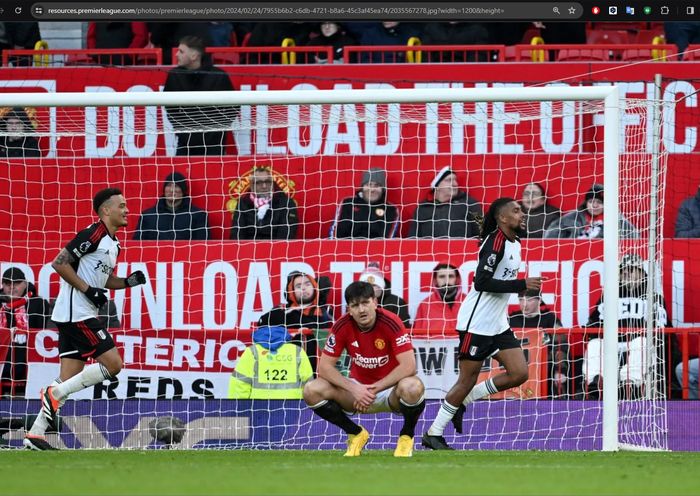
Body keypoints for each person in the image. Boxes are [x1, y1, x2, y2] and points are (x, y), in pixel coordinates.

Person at [23, 188, 147, 450]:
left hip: (74, 314)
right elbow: (59, 263)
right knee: (113, 364)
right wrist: (87, 290)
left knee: (69, 377)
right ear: (106, 211)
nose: (127, 210)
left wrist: (127, 282)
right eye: (121, 206)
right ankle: (53, 394)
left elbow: (104, 279)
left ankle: (35, 434)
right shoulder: (93, 233)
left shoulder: (114, 244)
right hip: (77, 313)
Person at [422, 197, 542, 450]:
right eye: (517, 210)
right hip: (475, 324)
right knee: (465, 380)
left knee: (519, 373)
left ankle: (465, 402)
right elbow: (481, 283)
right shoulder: (495, 242)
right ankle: (433, 433)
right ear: (503, 218)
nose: (523, 214)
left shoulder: (516, 242)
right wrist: (521, 284)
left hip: (497, 323)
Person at [303, 281, 425, 457]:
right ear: (349, 309)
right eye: (355, 305)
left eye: (365, 303)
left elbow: (409, 366)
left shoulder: (391, 322)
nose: (361, 310)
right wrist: (354, 388)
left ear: (375, 302)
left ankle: (406, 437)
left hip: (390, 391)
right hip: (356, 393)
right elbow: (324, 367)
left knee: (413, 386)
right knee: (311, 389)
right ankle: (356, 433)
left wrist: (373, 389)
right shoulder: (342, 325)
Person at [583, 253, 669, 399]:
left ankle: (630, 383)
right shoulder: (608, 296)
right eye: (623, 270)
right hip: (613, 343)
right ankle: (595, 383)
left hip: (638, 343)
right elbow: (593, 323)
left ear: (642, 273)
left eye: (631, 269)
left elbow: (662, 330)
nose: (626, 273)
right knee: (594, 344)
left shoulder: (654, 297)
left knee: (641, 343)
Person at [163, 35, 237, 156]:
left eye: (181, 51)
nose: (176, 55)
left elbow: (233, 107)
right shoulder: (174, 75)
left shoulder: (219, 76)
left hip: (214, 143)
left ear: (194, 56)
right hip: (185, 141)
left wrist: (215, 131)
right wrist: (183, 131)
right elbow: (170, 109)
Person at [257, 271, 333, 372]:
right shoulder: (281, 313)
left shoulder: (326, 312)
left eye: (307, 284)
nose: (303, 288)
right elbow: (261, 325)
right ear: (291, 291)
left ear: (315, 286)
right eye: (298, 286)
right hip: (292, 371)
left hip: (320, 373)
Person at [1, 267, 52, 397]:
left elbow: (43, 334)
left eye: (16, 283)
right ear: (2, 285)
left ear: (25, 283)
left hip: (27, 358)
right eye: (7, 284)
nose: (12, 288)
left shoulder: (38, 303)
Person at [508, 289, 569, 397]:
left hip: (544, 367)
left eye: (529, 300)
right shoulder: (512, 319)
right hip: (516, 365)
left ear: (539, 300)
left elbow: (561, 345)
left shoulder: (550, 318)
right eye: (521, 300)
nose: (524, 304)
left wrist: (560, 370)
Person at [228, 325, 313, 399]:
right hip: (292, 407)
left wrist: (238, 408)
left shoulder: (252, 351)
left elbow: (240, 383)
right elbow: (308, 383)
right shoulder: (297, 350)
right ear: (286, 336)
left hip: (258, 407)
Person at [408, 166, 482, 238]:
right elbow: (413, 240)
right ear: (437, 185)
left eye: (455, 180)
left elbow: (482, 233)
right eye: (449, 180)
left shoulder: (470, 204)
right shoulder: (422, 208)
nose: (455, 184)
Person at [544, 183, 639, 239]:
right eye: (591, 202)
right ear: (586, 203)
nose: (594, 205)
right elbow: (550, 239)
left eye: (599, 202)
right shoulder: (570, 219)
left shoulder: (618, 222)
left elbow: (633, 240)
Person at [133, 172, 210, 241]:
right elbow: (138, 244)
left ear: (183, 190)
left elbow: (203, 246)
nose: (172, 190)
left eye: (176, 186)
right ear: (164, 189)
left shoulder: (198, 216)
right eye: (169, 185)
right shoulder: (148, 216)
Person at [230, 167, 299, 240]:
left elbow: (286, 235)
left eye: (267, 181)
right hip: (248, 248)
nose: (264, 186)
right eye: (259, 183)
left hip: (277, 248)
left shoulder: (286, 203)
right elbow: (237, 234)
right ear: (252, 186)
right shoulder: (243, 204)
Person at [329, 168, 400, 239]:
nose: (372, 189)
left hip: (377, 249)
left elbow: (388, 240)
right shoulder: (347, 203)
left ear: (383, 189)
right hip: (346, 248)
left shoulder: (391, 210)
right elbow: (335, 234)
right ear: (362, 187)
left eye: (377, 185)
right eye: (368, 184)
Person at [413, 263, 465, 334]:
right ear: (435, 280)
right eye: (442, 276)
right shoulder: (425, 305)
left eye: (451, 276)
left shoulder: (468, 302)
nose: (446, 281)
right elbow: (417, 336)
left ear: (457, 279)